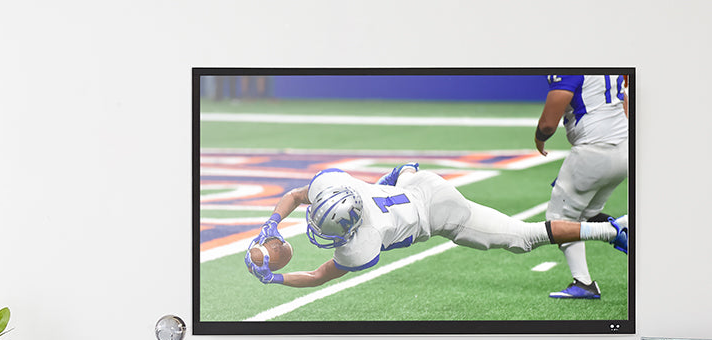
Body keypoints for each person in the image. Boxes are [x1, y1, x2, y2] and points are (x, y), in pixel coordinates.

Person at [245, 164, 627, 288]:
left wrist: (274, 279)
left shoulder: (360, 244)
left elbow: (316, 275)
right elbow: (296, 197)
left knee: (524, 238)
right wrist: (271, 224)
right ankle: (613, 229)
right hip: (415, 180)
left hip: (439, 214)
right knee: (395, 177)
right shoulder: (334, 186)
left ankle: (611, 231)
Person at [534, 74, 629, 300]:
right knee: (588, 213)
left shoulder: (572, 67)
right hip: (624, 147)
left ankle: (584, 282)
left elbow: (549, 122)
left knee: (560, 219)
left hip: (593, 150)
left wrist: (539, 137)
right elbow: (623, 99)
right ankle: (621, 232)